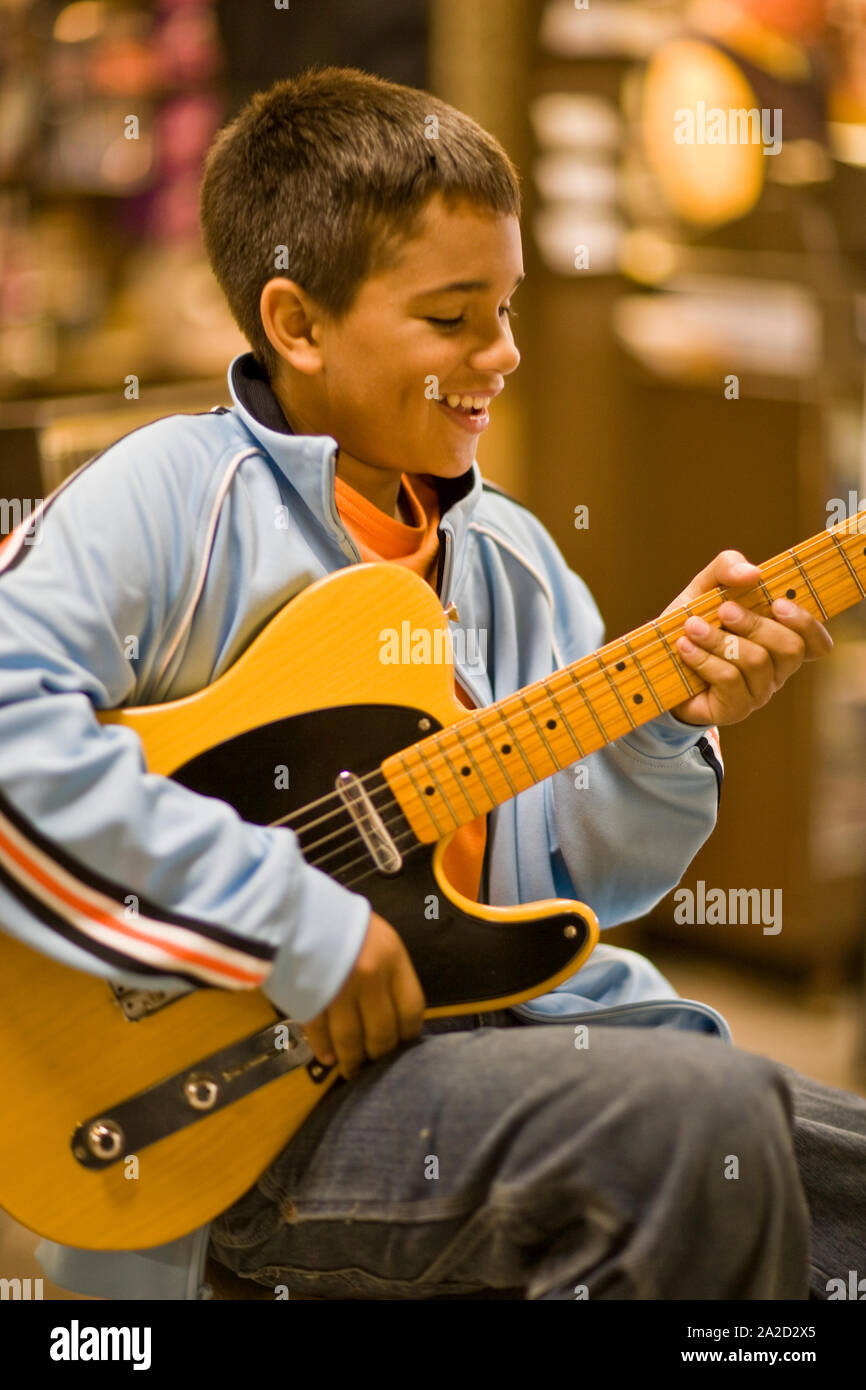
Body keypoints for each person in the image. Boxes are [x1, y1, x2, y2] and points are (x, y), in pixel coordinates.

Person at [0, 66, 863, 1301]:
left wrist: (663, 728)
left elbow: (590, 881)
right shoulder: (165, 496)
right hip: (225, 1117)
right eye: (454, 316)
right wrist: (289, 921)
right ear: (296, 325)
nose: (501, 353)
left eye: (506, 308)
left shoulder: (511, 555)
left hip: (490, 1054)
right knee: (699, 1124)